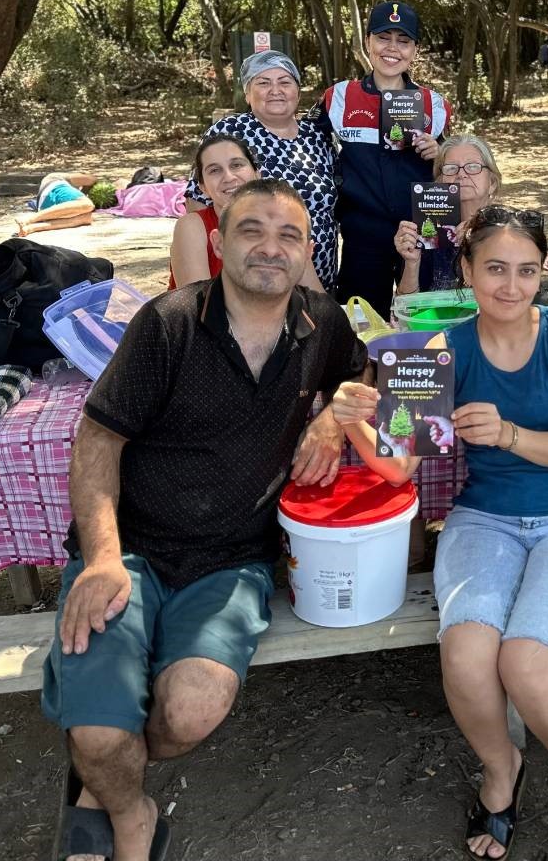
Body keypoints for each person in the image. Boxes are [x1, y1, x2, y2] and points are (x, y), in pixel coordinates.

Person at [43, 179, 367, 861]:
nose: (270, 249)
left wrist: (336, 415)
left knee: (188, 713)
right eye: (252, 231)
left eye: (289, 236)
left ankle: (99, 779)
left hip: (233, 560)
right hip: (130, 549)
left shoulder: (324, 324)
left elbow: (376, 381)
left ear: (308, 251)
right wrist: (101, 559)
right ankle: (130, 812)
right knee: (101, 738)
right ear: (218, 243)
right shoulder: (168, 323)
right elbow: (96, 441)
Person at [330, 206, 548, 861]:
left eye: (525, 271)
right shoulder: (435, 349)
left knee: (525, 662)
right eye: (494, 269)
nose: (511, 287)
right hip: (485, 514)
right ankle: (502, 769)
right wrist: (354, 421)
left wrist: (509, 433)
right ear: (465, 271)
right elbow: (401, 462)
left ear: (543, 272)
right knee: (466, 657)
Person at [318, 0, 450, 316]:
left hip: (424, 232)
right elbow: (306, 147)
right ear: (367, 42)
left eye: (403, 41)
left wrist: (439, 153)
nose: (392, 49)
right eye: (383, 38)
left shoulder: (434, 104)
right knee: (361, 327)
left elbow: (453, 170)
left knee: (422, 319)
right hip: (363, 236)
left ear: (415, 49)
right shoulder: (339, 96)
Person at [186, 50, 340, 293]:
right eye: (263, 83)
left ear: (297, 92)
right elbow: (197, 200)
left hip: (319, 280)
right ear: (247, 93)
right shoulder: (231, 130)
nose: (275, 90)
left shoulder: (317, 136)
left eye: (285, 82)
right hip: (257, 278)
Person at [394, 135, 502, 296]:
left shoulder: (508, 229)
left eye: (473, 167)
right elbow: (407, 309)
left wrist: (480, 242)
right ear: (440, 181)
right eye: (451, 168)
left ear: (492, 183)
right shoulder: (428, 231)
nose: (461, 174)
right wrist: (412, 262)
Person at [167, 135, 256, 290]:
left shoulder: (283, 221)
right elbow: (199, 307)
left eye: (236, 165)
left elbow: (312, 300)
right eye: (215, 170)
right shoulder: (193, 227)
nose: (228, 177)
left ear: (257, 173)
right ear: (203, 187)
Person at [18, 172, 100, 236]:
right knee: (87, 204)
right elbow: (91, 179)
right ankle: (30, 219)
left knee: (87, 218)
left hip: (43, 206)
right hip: (54, 187)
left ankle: (32, 228)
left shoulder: (72, 194)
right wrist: (91, 178)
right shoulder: (56, 176)